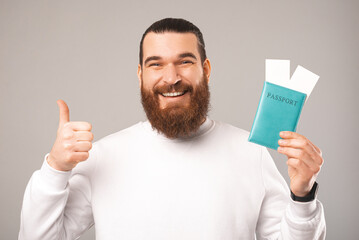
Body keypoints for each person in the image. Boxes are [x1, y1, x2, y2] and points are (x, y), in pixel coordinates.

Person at [19, 18, 326, 240]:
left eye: (185, 62)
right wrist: (56, 168)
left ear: (205, 70)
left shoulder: (252, 153)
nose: (171, 77)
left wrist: (302, 196)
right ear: (140, 75)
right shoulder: (102, 157)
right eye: (155, 64)